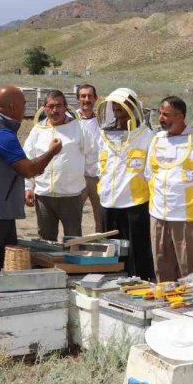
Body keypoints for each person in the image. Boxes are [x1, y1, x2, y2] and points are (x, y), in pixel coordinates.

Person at [0, 86, 62, 285]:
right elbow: (28, 169)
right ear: (13, 106)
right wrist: (52, 152)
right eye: (24, 104)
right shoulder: (0, 133)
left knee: (0, 268)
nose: (26, 108)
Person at [145, 96, 193, 282]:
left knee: (189, 272)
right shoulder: (157, 139)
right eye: (160, 114)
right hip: (159, 216)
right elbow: (149, 173)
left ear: (180, 116)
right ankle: (163, 307)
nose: (161, 118)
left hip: (187, 218)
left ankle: (190, 308)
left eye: (166, 115)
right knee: (162, 268)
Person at [95, 88, 155, 280]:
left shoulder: (146, 136)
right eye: (115, 108)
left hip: (135, 203)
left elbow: (150, 171)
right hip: (108, 202)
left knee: (138, 251)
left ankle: (142, 283)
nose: (118, 112)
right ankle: (113, 284)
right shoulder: (106, 135)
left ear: (133, 108)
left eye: (122, 107)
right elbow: (101, 166)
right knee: (111, 251)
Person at [23, 90, 97, 241]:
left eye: (58, 106)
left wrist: (93, 182)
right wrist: (28, 187)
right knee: (46, 239)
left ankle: (72, 266)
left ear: (66, 107)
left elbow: (92, 157)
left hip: (71, 195)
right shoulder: (37, 131)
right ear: (44, 108)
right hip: (43, 195)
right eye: (50, 106)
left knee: (73, 240)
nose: (55, 110)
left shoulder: (79, 128)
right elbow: (28, 158)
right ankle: (47, 266)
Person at [76, 84, 104, 233]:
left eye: (89, 96)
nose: (86, 99)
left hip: (98, 177)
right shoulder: (70, 120)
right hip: (78, 177)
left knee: (101, 218)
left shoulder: (103, 121)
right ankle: (75, 248)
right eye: (83, 96)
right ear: (78, 99)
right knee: (73, 218)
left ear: (95, 98)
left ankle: (100, 249)